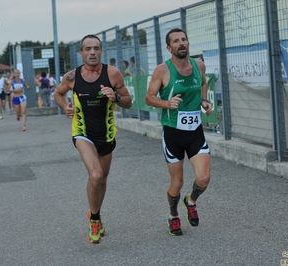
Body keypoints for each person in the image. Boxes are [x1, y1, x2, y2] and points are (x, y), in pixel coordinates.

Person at [54, 34, 132, 244]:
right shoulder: (72, 77)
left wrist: (115, 97)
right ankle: (95, 220)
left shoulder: (113, 74)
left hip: (106, 134)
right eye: (87, 49)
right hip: (82, 133)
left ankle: (95, 212)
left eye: (96, 48)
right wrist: (65, 107)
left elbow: (128, 102)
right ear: (81, 53)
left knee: (103, 179)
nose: (92, 53)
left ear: (101, 51)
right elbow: (58, 94)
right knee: (96, 175)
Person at [145, 28, 212, 236]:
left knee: (203, 179)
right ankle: (173, 216)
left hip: (195, 131)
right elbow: (149, 97)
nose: (181, 43)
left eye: (184, 39)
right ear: (169, 47)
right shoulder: (162, 70)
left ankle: (190, 202)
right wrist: (167, 103)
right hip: (173, 133)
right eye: (176, 41)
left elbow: (203, 82)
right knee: (177, 182)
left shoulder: (198, 65)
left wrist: (203, 100)